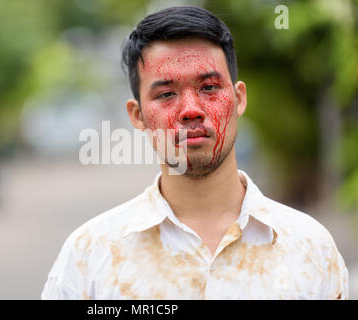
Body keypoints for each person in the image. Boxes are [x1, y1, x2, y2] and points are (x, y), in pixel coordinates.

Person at [42, 6, 348, 299]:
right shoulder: (90, 256)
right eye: (166, 94)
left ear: (239, 98)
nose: (190, 110)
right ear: (137, 116)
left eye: (209, 88)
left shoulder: (310, 249)